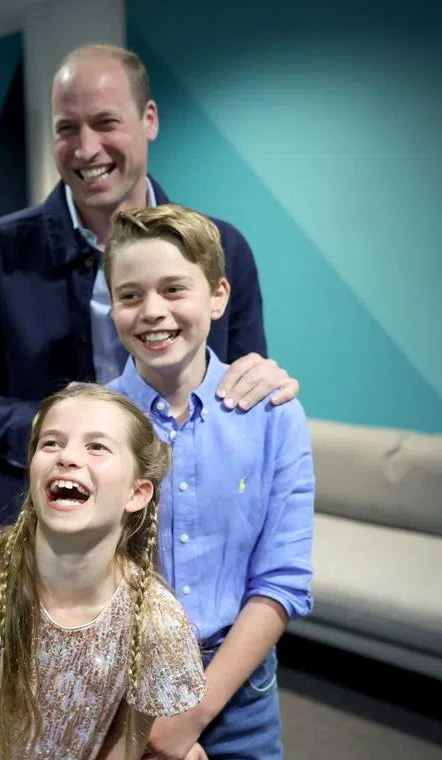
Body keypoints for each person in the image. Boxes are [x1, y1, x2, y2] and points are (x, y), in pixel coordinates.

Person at [0, 43, 300, 536]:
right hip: (30, 529)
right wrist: (52, 429)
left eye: (106, 123)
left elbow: (241, 383)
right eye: (67, 128)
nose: (86, 149)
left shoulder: (224, 249)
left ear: (148, 119)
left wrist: (264, 380)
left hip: (185, 530)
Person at [104, 204, 314, 760]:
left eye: (175, 289)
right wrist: (147, 720)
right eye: (130, 295)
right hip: (117, 687)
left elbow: (283, 581)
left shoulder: (274, 416)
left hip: (240, 691)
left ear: (218, 296)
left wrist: (189, 718)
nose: (153, 312)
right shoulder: (91, 419)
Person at [0, 383, 208, 760]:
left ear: (137, 493)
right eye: (51, 443)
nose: (66, 457)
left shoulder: (154, 622)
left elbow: (126, 742)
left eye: (96, 446)